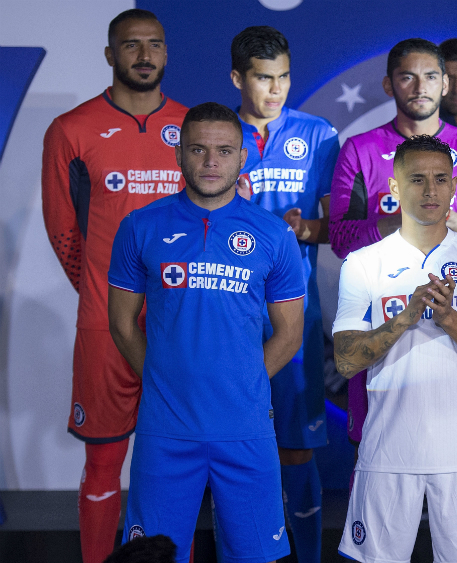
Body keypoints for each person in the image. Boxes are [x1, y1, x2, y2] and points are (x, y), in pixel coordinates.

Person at [108, 103, 304, 563]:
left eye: (223, 151)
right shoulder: (140, 226)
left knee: (255, 557)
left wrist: (243, 382)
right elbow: (121, 323)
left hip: (246, 429)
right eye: (198, 149)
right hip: (166, 431)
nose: (210, 161)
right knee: (152, 557)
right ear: (179, 154)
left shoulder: (273, 235)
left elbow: (290, 334)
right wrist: (164, 378)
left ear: (242, 158)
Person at [40, 9, 187, 563]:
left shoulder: (194, 126)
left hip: (181, 322)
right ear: (110, 54)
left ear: (166, 54)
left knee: (173, 462)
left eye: (154, 44)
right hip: (105, 324)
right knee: (103, 462)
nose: (144, 55)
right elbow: (63, 230)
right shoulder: (71, 130)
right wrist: (104, 296)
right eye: (131, 45)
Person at [332, 135, 457, 561]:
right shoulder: (362, 263)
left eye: (440, 179)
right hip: (385, 453)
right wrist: (405, 317)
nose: (430, 190)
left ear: (454, 187)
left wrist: (449, 318)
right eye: (416, 179)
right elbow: (344, 360)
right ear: (394, 189)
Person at [328, 37, 457, 454]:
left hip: (456, 313)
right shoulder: (360, 149)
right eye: (407, 77)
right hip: (383, 313)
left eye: (430, 76)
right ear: (390, 86)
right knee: (376, 452)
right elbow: (340, 239)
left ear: (445, 84)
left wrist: (448, 219)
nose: (419, 86)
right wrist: (401, 219)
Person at [230, 26, 340, 563]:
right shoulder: (215, 134)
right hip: (228, 312)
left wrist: (303, 230)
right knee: (236, 447)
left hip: (294, 312)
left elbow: (339, 227)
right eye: (262, 78)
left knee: (296, 448)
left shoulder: (318, 134)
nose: (275, 89)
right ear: (237, 78)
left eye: (283, 77)